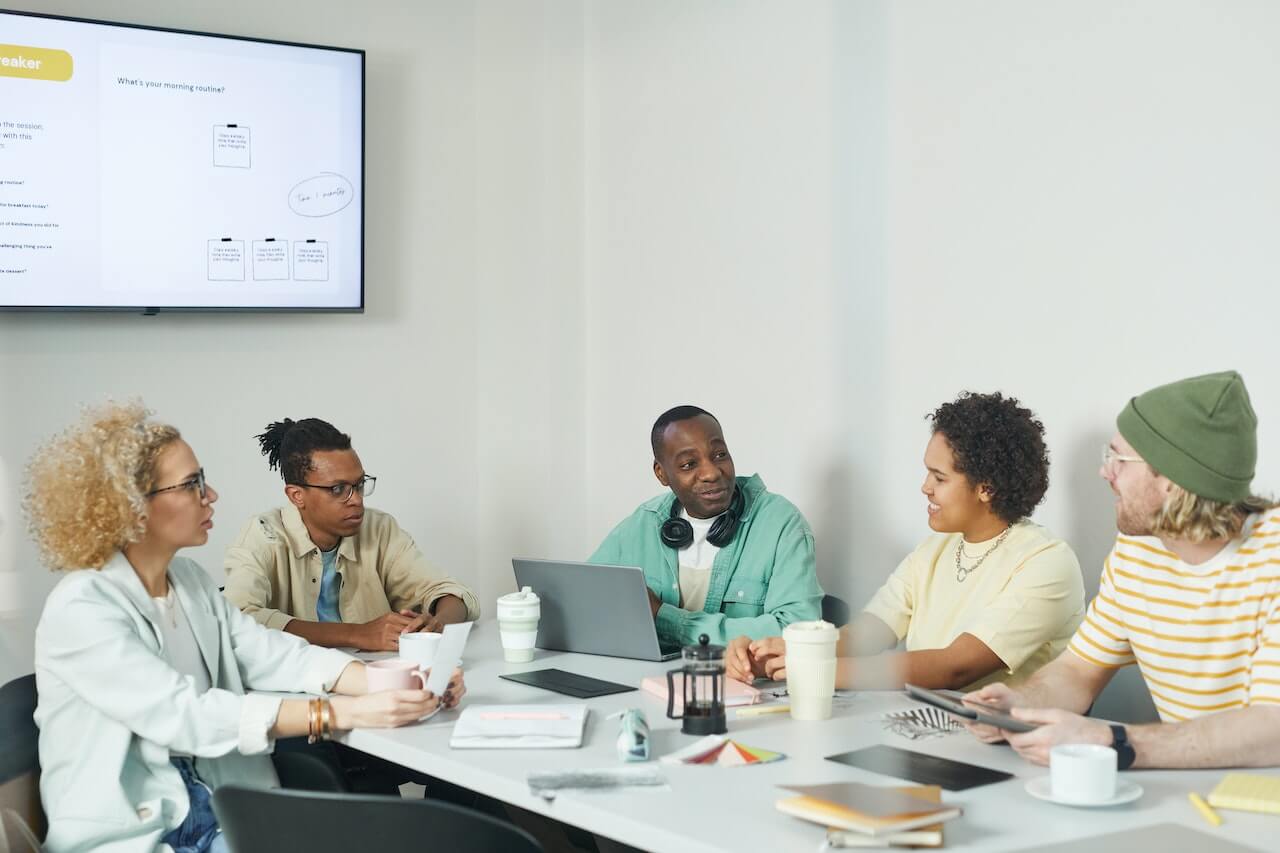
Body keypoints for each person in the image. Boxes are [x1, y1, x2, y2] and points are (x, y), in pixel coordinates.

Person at [26, 402, 464, 853]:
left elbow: (273, 653)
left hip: (216, 809)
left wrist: (404, 680)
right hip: (143, 832)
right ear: (132, 507)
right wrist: (340, 714)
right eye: (192, 484)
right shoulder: (82, 607)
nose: (211, 495)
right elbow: (186, 715)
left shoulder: (189, 582)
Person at [963, 371, 1280, 768]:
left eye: (1120, 459)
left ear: (1172, 481)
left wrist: (1113, 742)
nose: (1105, 471)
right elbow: (1079, 670)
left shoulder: (1272, 558)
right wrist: (1020, 705)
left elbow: (1272, 730)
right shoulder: (1137, 549)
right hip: (1193, 791)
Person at [728, 392, 1085, 691]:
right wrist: (785, 651)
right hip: (928, 727)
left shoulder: (1046, 561)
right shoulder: (934, 550)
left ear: (986, 488)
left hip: (1005, 741)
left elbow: (956, 667)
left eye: (939, 478)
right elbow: (867, 634)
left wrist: (816, 671)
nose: (925, 487)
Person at [223, 418, 479, 652]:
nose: (356, 499)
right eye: (338, 489)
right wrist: (357, 634)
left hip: (376, 676)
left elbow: (451, 593)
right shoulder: (263, 536)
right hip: (300, 684)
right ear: (296, 495)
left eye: (359, 484)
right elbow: (236, 620)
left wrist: (437, 625)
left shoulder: (379, 528)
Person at [588, 405, 823, 647]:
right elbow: (585, 595)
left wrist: (665, 617)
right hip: (647, 671)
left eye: (719, 455)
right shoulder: (644, 523)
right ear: (662, 474)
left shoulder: (780, 523)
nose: (711, 473)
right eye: (689, 464)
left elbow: (797, 631)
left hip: (733, 672)